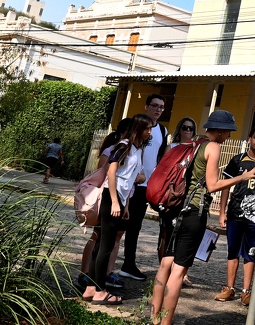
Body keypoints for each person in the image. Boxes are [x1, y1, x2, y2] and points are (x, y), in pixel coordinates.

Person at [150, 110, 255, 325]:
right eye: (228, 132)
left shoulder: (194, 143)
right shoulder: (213, 147)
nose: (228, 136)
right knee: (179, 271)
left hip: (175, 209)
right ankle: (166, 322)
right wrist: (242, 177)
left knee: (165, 265)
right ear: (219, 130)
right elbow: (213, 185)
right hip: (193, 213)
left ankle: (154, 319)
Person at [82, 114, 154, 304]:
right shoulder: (124, 146)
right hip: (110, 197)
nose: (149, 132)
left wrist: (126, 205)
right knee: (105, 244)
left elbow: (130, 180)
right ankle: (100, 291)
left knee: (102, 244)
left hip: (122, 199)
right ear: (138, 128)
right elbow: (111, 172)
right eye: (147, 128)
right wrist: (114, 201)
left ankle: (91, 287)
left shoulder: (138, 149)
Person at [215, 124, 255, 306]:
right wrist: (222, 211)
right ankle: (229, 288)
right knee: (232, 250)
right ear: (249, 139)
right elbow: (225, 186)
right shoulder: (237, 160)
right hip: (235, 213)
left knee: (250, 252)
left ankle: (246, 291)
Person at [78, 119, 133, 291]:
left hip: (124, 199)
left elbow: (137, 177)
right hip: (107, 200)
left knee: (116, 237)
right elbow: (104, 177)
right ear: (125, 133)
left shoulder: (132, 152)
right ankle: (85, 274)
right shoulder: (111, 151)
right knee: (98, 236)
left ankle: (107, 272)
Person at [121, 95, 169, 281]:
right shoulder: (136, 125)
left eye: (162, 107)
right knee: (116, 227)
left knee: (135, 226)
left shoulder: (163, 131)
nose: (158, 110)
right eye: (155, 106)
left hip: (145, 185)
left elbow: (160, 158)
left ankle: (128, 264)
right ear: (146, 106)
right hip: (125, 183)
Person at [157, 117, 198, 261]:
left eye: (191, 128)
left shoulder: (195, 149)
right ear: (179, 130)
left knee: (182, 233)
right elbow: (163, 172)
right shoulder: (172, 147)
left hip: (186, 195)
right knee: (166, 232)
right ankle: (162, 266)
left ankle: (177, 268)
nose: (188, 130)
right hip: (171, 194)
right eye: (185, 127)